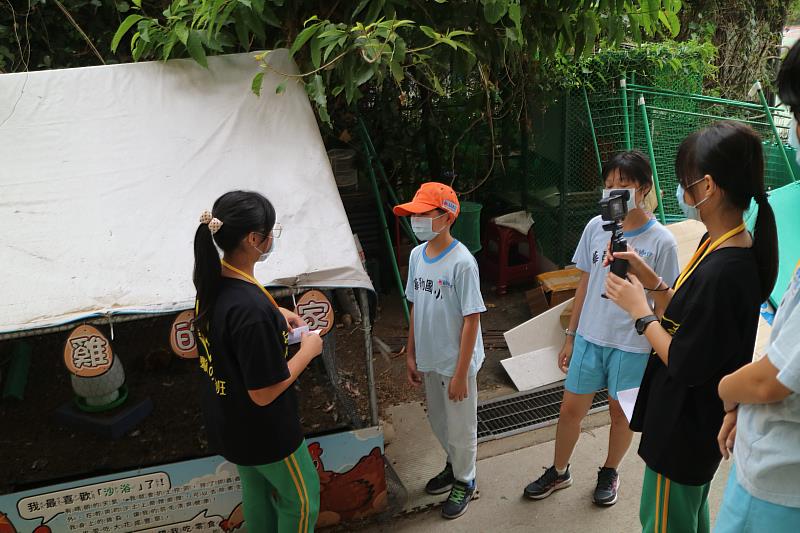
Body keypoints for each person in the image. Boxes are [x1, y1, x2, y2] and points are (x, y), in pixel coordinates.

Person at [605, 121, 779, 533]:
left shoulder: (725, 269)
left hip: (684, 431)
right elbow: (690, 319)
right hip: (695, 428)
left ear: (708, 187)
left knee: (665, 524)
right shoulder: (722, 245)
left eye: (686, 183)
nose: (682, 193)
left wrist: (640, 314)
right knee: (689, 520)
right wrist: (652, 284)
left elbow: (685, 360)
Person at [523, 151, 679, 506]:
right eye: (609, 185)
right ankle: (559, 471)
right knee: (569, 411)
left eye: (623, 185)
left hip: (633, 346)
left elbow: (667, 304)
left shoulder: (662, 242)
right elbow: (584, 284)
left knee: (620, 416)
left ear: (644, 188)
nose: (614, 192)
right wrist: (570, 336)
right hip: (590, 339)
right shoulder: (596, 227)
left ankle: (610, 471)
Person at [193, 190, 323, 532]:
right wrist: (308, 351)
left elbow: (229, 327)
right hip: (267, 432)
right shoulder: (250, 311)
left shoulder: (212, 282)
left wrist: (276, 313)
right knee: (302, 500)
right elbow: (263, 393)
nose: (271, 240)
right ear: (253, 239)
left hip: (230, 422)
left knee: (256, 490)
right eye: (270, 233)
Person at [711, 40, 800, 533]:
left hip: (777, 486)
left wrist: (730, 391)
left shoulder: (727, 264)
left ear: (707, 187)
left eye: (793, 112)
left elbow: (776, 377)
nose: (792, 132)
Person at [393, 182, 486, 520]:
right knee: (438, 419)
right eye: (414, 214)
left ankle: (465, 478)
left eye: (423, 214)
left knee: (461, 426)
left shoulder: (462, 263)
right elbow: (415, 306)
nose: (416, 220)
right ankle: (453, 462)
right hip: (431, 357)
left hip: (455, 362)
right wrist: (411, 353)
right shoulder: (418, 256)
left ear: (446, 217)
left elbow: (471, 320)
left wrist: (461, 374)